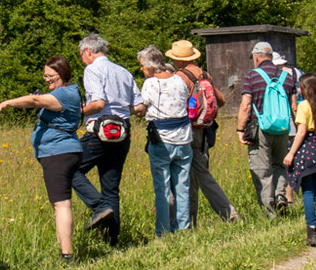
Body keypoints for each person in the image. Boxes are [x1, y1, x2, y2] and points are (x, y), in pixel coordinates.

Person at [0, 57, 84, 262]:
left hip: (57, 153)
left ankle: (67, 255)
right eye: (45, 76)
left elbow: (34, 101)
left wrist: (5, 104)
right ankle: (65, 250)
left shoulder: (63, 94)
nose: (47, 80)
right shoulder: (69, 92)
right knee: (60, 203)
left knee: (61, 204)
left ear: (63, 74)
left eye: (51, 76)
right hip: (63, 151)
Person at [70, 34, 136, 245]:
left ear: (88, 51)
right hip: (123, 133)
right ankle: (112, 242)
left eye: (81, 55)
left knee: (69, 167)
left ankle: (98, 207)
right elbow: (139, 107)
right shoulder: (123, 71)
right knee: (110, 187)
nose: (82, 60)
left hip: (99, 131)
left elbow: (98, 103)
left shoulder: (92, 69)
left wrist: (78, 110)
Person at [167, 38, 237, 226]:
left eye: (174, 59)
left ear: (180, 60)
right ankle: (193, 220)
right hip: (203, 132)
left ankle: (224, 212)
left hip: (185, 131)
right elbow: (221, 100)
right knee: (198, 175)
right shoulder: (204, 75)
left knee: (180, 175)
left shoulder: (180, 77)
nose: (173, 62)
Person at [132, 45, 194, 236]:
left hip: (162, 141)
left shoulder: (151, 84)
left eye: (142, 66)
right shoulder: (179, 80)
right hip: (184, 139)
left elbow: (142, 109)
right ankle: (183, 227)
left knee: (163, 189)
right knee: (182, 187)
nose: (142, 70)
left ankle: (163, 230)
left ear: (151, 67)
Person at [235, 40, 300, 214]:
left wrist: (240, 129)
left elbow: (245, 105)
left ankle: (269, 212)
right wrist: (299, 127)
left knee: (262, 169)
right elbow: (294, 106)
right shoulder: (288, 76)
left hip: (260, 127)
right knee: (280, 164)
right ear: (271, 57)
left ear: (256, 57)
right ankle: (280, 194)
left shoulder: (252, 76)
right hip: (283, 127)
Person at [282, 72, 316, 246]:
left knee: (308, 192)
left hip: (306, 150)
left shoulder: (304, 106)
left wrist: (291, 153)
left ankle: (311, 231)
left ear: (306, 89)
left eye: (300, 87)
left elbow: (301, 132)